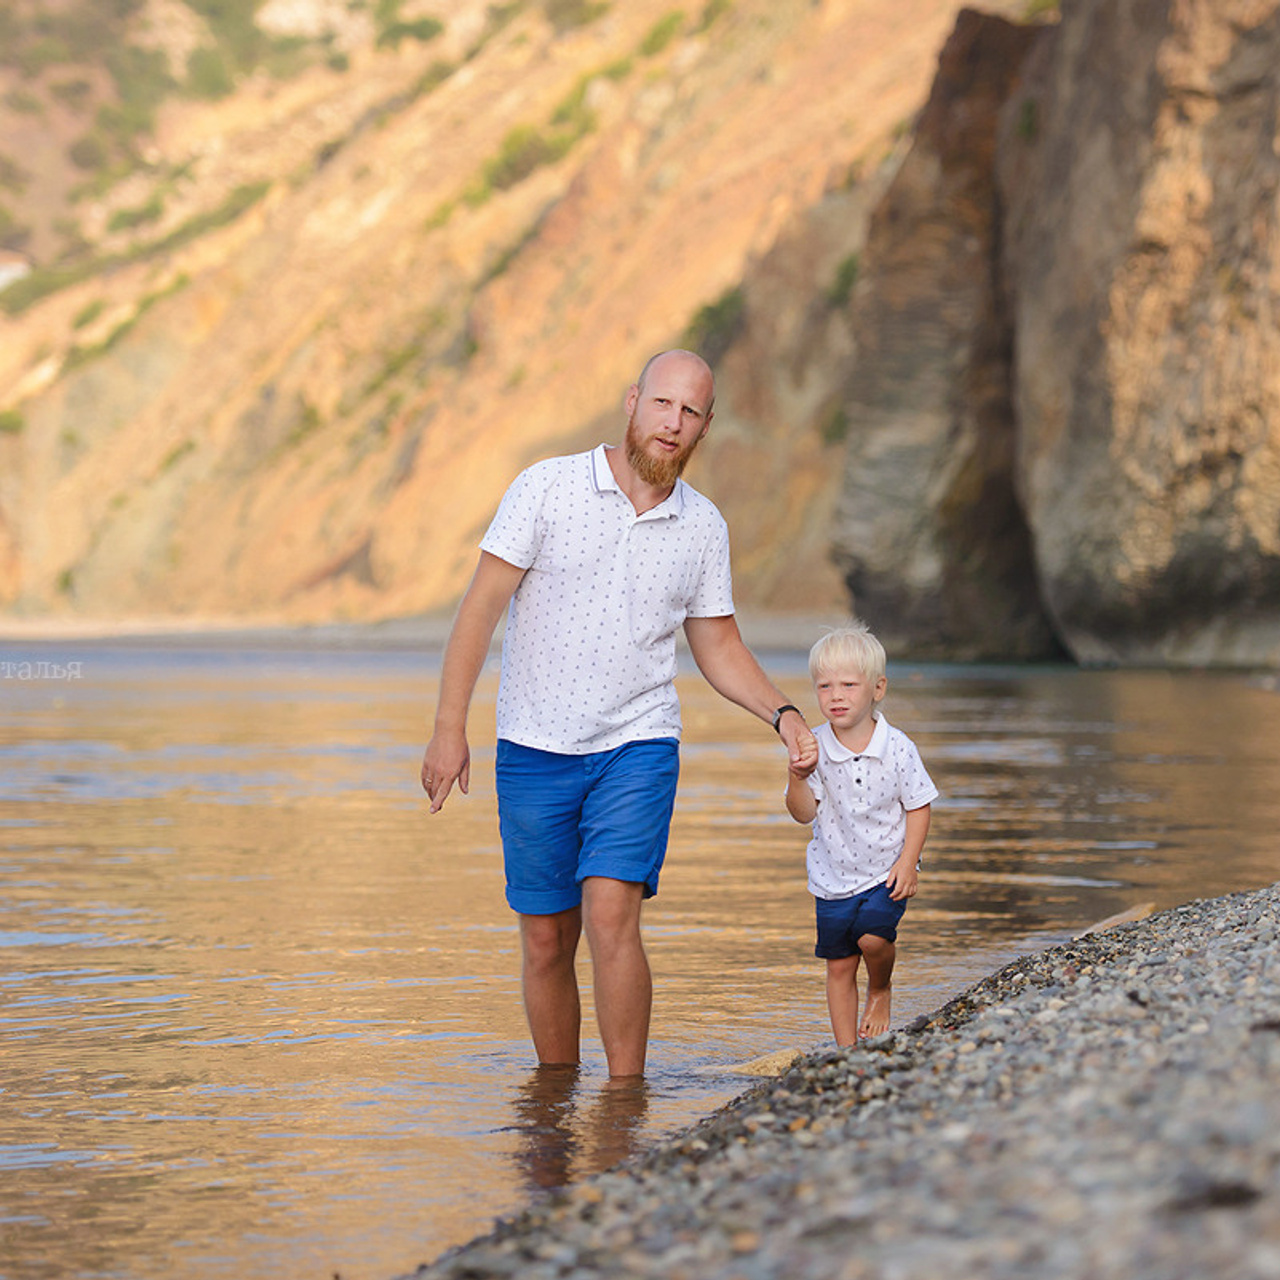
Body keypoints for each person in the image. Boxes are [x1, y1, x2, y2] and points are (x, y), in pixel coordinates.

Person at [420, 348, 817, 1079]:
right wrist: (450, 730)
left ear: (705, 427)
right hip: (533, 746)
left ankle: (625, 1104)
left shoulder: (703, 526)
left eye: (690, 411)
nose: (673, 422)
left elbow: (719, 645)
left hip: (638, 746)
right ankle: (555, 1105)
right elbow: (479, 611)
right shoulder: (546, 487)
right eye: (663, 403)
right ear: (633, 401)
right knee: (546, 940)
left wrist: (785, 714)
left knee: (611, 915)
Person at [785, 622, 937, 1046]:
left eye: (849, 685)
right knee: (838, 965)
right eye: (825, 686)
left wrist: (909, 863)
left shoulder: (898, 747)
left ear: (878, 688)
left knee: (872, 940)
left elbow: (919, 805)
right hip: (832, 876)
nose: (836, 696)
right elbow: (802, 814)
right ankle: (845, 1049)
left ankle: (881, 988)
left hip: (886, 870)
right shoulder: (812, 746)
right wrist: (797, 776)